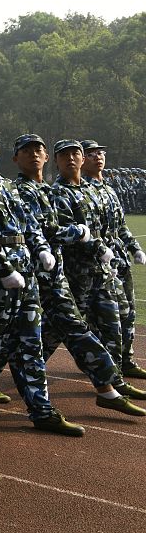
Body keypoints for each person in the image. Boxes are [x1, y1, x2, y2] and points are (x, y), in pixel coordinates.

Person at [0, 137, 146, 416]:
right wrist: (81, 236)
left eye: (38, 150)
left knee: (77, 329)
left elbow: (111, 225)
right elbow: (42, 229)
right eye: (26, 152)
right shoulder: (30, 191)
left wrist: (124, 247)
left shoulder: (59, 189)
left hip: (66, 273)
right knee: (50, 333)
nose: (34, 155)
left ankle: (110, 385)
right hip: (57, 274)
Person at [0, 124, 84, 436]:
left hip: (25, 274)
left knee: (30, 345)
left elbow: (28, 227)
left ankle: (41, 410)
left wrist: (38, 252)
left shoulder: (8, 184)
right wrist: (3, 269)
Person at [81, 140, 146, 380]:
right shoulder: (82, 189)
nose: (98, 157)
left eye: (100, 152)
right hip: (95, 262)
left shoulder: (108, 188)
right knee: (96, 318)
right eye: (91, 154)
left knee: (128, 312)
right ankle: (106, 366)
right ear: (81, 159)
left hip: (118, 259)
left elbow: (120, 226)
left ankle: (125, 360)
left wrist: (134, 248)